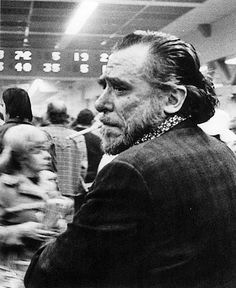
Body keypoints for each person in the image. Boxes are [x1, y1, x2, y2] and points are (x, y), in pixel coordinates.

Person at [24, 31, 236, 288]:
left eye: (120, 88)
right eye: (105, 86)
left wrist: (54, 237)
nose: (101, 103)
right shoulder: (220, 150)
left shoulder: (131, 170)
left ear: (172, 99)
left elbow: (49, 277)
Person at [0, 125, 64, 287]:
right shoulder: (4, 187)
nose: (47, 156)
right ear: (21, 157)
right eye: (37, 151)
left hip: (44, 270)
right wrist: (21, 231)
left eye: (46, 149)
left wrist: (60, 226)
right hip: (12, 274)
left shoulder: (49, 181)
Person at [41, 99, 87, 197]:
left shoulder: (40, 134)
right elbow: (83, 167)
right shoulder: (78, 136)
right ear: (66, 116)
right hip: (71, 189)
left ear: (48, 115)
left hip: (47, 190)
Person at [72, 108, 104, 184]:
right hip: (90, 181)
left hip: (71, 178)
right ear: (92, 122)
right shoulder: (96, 140)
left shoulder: (70, 135)